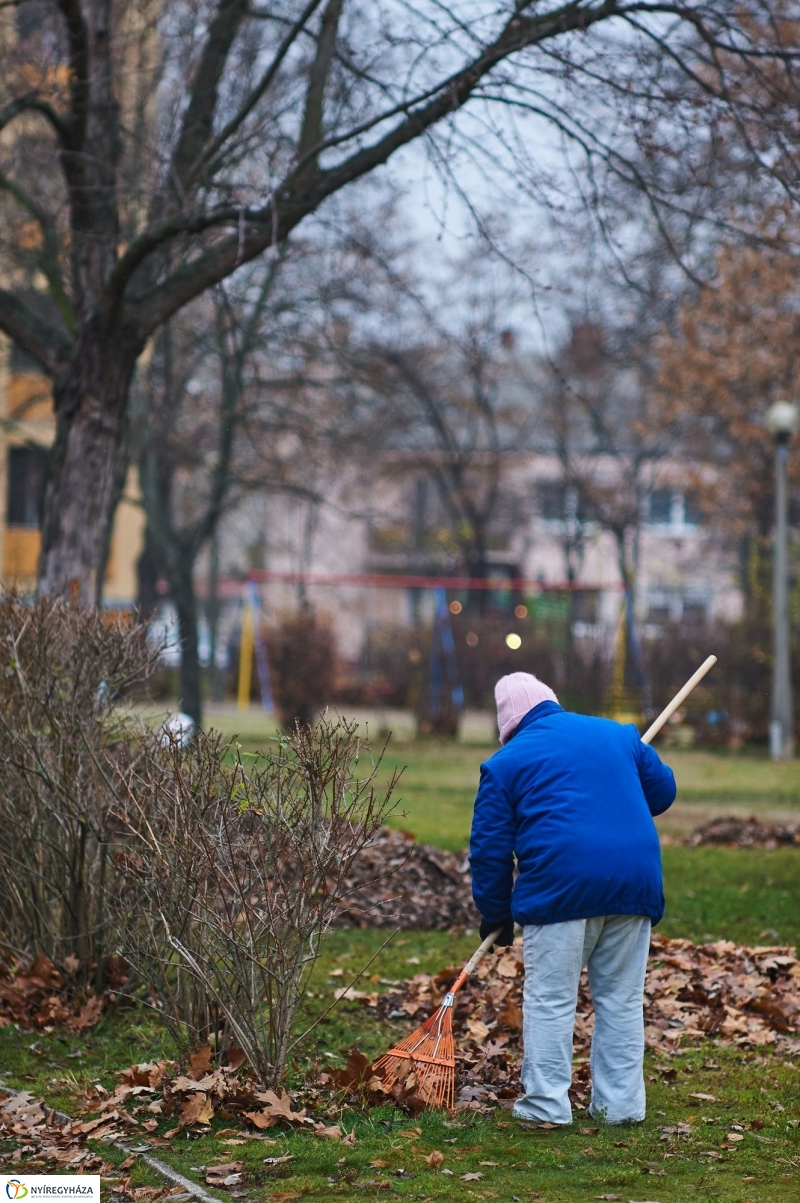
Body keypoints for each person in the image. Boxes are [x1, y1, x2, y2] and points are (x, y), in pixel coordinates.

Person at [469, 671, 676, 1126]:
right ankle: (620, 1109)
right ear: (552, 701)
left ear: (508, 724)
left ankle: (545, 1106)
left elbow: (489, 851)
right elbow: (663, 792)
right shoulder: (617, 735)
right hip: (633, 884)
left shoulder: (505, 764)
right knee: (621, 1000)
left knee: (550, 1000)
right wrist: (625, 762)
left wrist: (495, 915)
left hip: (560, 890)